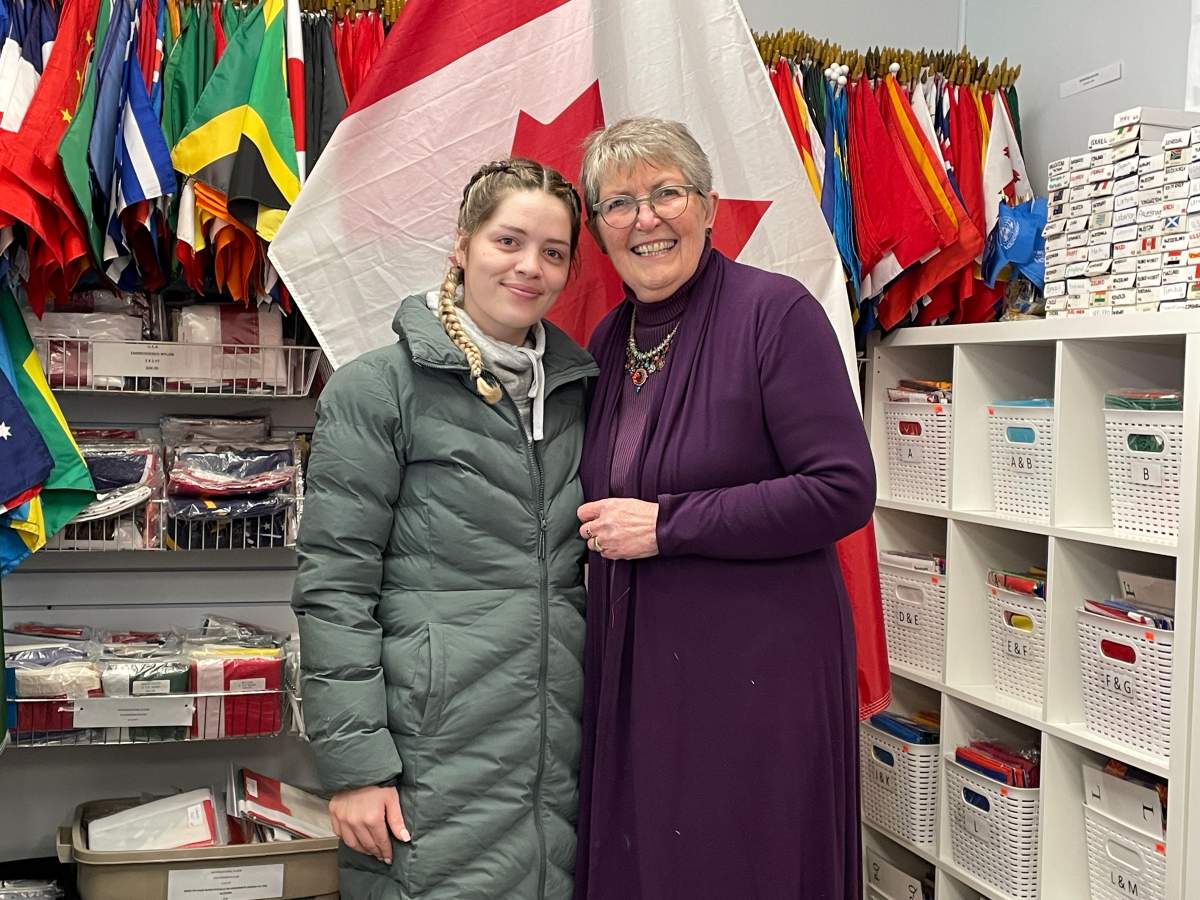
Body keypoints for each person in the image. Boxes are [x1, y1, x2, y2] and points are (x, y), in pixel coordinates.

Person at [573, 118, 876, 900]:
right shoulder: (607, 341)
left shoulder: (776, 316)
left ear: (708, 208)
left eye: (666, 193)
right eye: (619, 203)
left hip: (758, 677)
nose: (646, 219)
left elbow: (842, 487)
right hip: (642, 672)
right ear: (598, 228)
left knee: (745, 866)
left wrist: (670, 525)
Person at [293, 157, 598, 899]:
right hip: (428, 754)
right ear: (461, 246)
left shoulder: (579, 396)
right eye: (508, 242)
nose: (530, 268)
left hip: (555, 759)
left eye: (553, 253)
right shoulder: (380, 389)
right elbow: (334, 588)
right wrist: (358, 768)